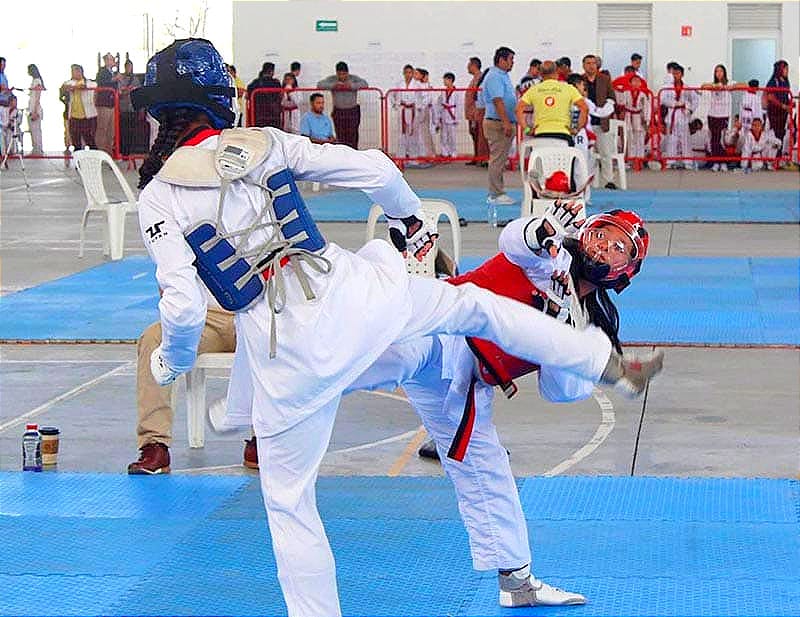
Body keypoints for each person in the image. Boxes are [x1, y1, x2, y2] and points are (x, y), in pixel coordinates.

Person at [132, 37, 661, 617]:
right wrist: (411, 216)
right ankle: (605, 365)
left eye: (615, 252)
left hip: (298, 353)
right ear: (220, 98)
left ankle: (501, 578)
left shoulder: (159, 197)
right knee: (472, 309)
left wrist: (171, 364)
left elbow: (181, 311)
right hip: (362, 304)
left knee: (291, 504)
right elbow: (385, 172)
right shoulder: (267, 144)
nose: (602, 251)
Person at [343, 204, 660, 609]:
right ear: (584, 232)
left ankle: (517, 582)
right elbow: (513, 240)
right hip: (439, 332)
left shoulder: (596, 322)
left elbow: (560, 391)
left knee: (488, 470)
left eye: (620, 248)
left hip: (464, 386)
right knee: (384, 360)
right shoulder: (550, 250)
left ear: (626, 272)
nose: (604, 248)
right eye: (602, 234)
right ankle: (287, 384)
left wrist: (568, 328)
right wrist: (544, 228)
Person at [127, 307, 256, 473]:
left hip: (258, 312)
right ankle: (154, 444)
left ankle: (265, 437)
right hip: (203, 318)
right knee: (154, 338)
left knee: (279, 341)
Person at [515, 61, 587, 149]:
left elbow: (518, 109)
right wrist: (577, 129)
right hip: (563, 135)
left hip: (540, 135)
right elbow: (584, 108)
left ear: (541, 74)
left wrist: (527, 130)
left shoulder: (534, 90)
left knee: (541, 162)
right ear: (556, 72)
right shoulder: (568, 88)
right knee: (565, 161)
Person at [483, 46, 517, 205]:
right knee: (497, 159)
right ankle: (495, 193)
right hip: (498, 123)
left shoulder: (503, 76)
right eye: (511, 59)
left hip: (502, 121)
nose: (513, 63)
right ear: (501, 60)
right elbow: (498, 101)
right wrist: (506, 122)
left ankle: (498, 190)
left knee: (500, 159)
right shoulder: (495, 76)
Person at [581, 55, 616, 188]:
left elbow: (612, 97)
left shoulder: (605, 79)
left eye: (593, 63)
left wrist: (605, 109)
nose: (591, 66)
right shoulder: (579, 80)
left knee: (606, 153)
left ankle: (608, 181)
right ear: (583, 65)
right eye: (588, 63)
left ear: (597, 65)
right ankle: (584, 183)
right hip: (584, 124)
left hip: (602, 122)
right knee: (585, 155)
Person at [317, 61, 368, 149]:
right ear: (336, 73)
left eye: (344, 74)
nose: (342, 76)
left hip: (352, 111)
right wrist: (334, 86)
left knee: (353, 135)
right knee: (340, 136)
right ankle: (342, 155)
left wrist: (351, 86)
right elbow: (320, 84)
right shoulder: (332, 79)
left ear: (347, 73)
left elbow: (365, 84)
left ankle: (353, 154)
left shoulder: (353, 78)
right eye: (339, 74)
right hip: (338, 111)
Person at [661, 64, 698, 169]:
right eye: (674, 74)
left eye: (678, 73)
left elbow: (695, 100)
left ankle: (688, 162)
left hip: (682, 115)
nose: (675, 75)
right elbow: (663, 99)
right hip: (672, 114)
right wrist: (674, 104)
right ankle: (670, 161)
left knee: (685, 139)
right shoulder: (667, 87)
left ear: (682, 74)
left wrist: (689, 109)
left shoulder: (686, 87)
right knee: (671, 139)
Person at [702, 64, 732, 171]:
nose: (719, 73)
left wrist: (729, 87)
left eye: (721, 71)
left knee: (722, 140)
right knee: (714, 139)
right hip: (712, 115)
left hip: (723, 116)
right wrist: (714, 87)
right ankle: (715, 161)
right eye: (716, 71)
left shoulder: (729, 83)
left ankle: (723, 161)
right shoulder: (713, 85)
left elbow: (745, 85)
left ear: (724, 73)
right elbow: (703, 86)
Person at [115, 60, 148, 156]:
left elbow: (140, 94)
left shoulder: (135, 79)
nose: (129, 69)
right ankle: (123, 151)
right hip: (123, 108)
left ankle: (130, 151)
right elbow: (118, 92)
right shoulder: (120, 79)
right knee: (123, 131)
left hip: (133, 108)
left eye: (130, 67)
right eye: (127, 67)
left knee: (132, 131)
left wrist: (141, 109)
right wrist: (125, 91)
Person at [61, 64, 98, 150]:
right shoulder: (69, 83)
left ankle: (94, 158)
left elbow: (91, 86)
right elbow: (64, 87)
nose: (73, 73)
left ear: (80, 71)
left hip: (87, 116)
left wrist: (76, 87)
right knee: (75, 140)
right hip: (74, 116)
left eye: (74, 71)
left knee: (89, 139)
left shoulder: (89, 82)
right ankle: (78, 160)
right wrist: (69, 87)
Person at [617, 73, 650, 168]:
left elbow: (646, 108)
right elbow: (622, 104)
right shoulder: (626, 92)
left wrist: (646, 119)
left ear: (640, 83)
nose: (636, 83)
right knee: (629, 136)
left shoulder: (643, 94)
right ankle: (630, 158)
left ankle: (639, 158)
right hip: (628, 115)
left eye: (638, 81)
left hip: (638, 116)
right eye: (634, 81)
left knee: (639, 136)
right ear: (630, 83)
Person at [392, 64, 421, 160]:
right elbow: (392, 95)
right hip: (402, 110)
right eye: (406, 73)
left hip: (413, 110)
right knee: (402, 133)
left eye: (410, 72)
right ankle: (401, 157)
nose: (408, 75)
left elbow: (421, 98)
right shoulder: (399, 84)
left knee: (413, 133)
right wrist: (396, 105)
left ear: (413, 73)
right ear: (403, 73)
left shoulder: (417, 85)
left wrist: (419, 107)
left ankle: (413, 157)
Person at [464, 56, 488, 166]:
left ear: (474, 66)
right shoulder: (475, 78)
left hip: (476, 111)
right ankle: (477, 156)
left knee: (480, 135)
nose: (467, 67)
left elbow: (476, 97)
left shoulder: (480, 78)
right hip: (472, 112)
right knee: (474, 134)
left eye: (469, 65)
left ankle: (482, 157)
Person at [765, 60, 791, 157]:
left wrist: (790, 104)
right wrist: (783, 106)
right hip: (774, 113)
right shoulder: (773, 81)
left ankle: (778, 157)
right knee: (774, 136)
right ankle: (772, 158)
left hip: (783, 114)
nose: (787, 71)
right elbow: (770, 97)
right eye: (785, 69)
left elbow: (786, 95)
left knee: (781, 135)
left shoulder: (786, 81)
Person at [94, 53, 118, 155]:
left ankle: (109, 151)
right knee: (102, 129)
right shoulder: (102, 72)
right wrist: (114, 79)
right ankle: (100, 152)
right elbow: (102, 82)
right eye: (111, 59)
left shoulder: (112, 72)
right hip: (104, 104)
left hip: (112, 104)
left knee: (111, 130)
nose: (113, 61)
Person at [434, 72, 461, 158]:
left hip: (452, 115)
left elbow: (459, 106)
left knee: (452, 136)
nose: (444, 81)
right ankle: (444, 152)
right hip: (444, 114)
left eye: (445, 79)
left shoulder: (457, 92)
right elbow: (439, 104)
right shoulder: (442, 92)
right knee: (443, 136)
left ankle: (453, 152)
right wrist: (438, 118)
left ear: (450, 80)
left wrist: (457, 118)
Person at [247, 62, 281, 128]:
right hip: (273, 115)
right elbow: (280, 96)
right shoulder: (276, 83)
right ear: (271, 71)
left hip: (258, 115)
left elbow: (248, 95)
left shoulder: (255, 83)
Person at [27, 64, 45, 155]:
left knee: (36, 131)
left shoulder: (37, 81)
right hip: (32, 107)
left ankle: (37, 149)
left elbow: (37, 96)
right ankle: (36, 148)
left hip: (35, 108)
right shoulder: (35, 81)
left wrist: (35, 111)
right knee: (33, 130)